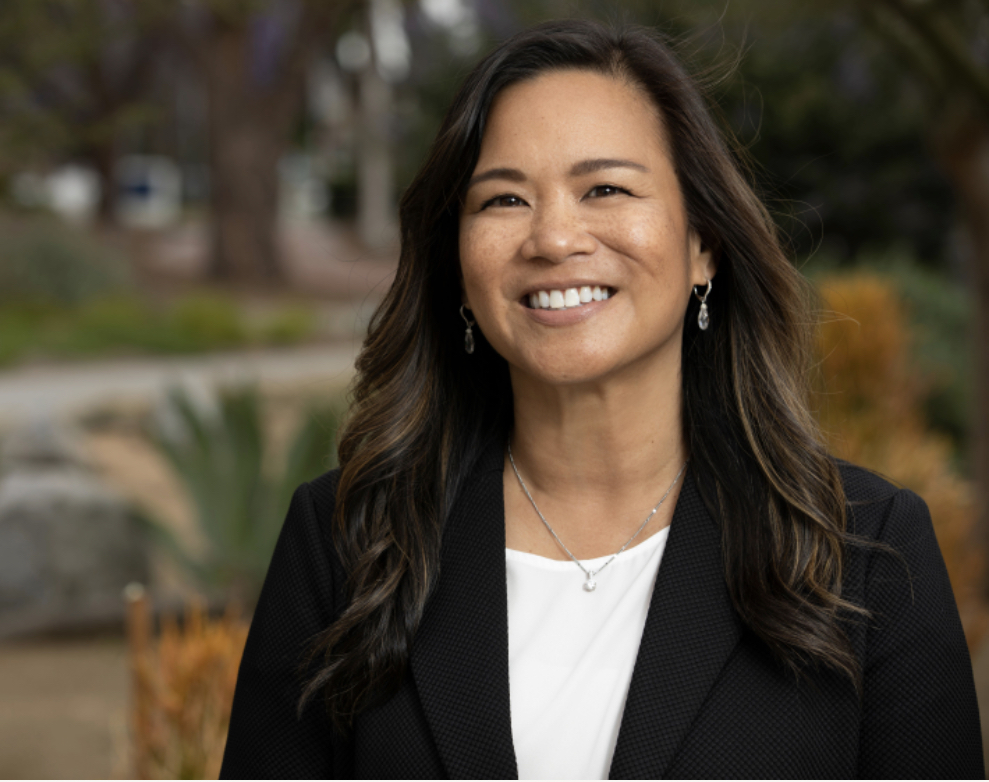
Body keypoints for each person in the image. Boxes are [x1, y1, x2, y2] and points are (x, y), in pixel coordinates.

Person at [220, 19, 983, 779]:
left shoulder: (867, 555)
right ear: (457, 261)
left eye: (606, 189)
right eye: (503, 200)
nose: (554, 238)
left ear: (703, 244)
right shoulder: (349, 544)